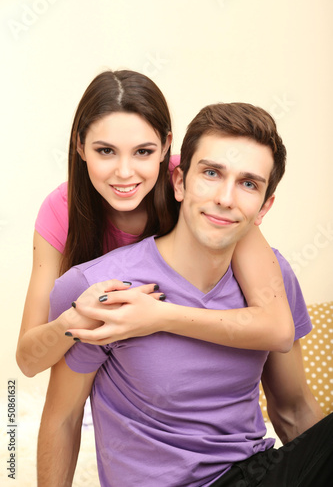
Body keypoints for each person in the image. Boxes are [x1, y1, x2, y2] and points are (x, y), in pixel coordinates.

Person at [37, 102, 331, 487]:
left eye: (248, 184)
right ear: (179, 182)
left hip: (255, 473)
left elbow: (293, 410)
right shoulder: (101, 287)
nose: (226, 198)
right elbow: (63, 419)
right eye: (211, 173)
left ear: (264, 207)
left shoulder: (273, 282)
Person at [17, 70, 294, 379]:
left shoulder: (198, 187)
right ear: (80, 146)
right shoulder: (60, 210)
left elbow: (277, 327)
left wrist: (159, 317)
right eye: (105, 151)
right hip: (113, 376)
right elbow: (28, 360)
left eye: (143, 152)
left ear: (165, 147)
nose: (124, 172)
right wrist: (74, 318)